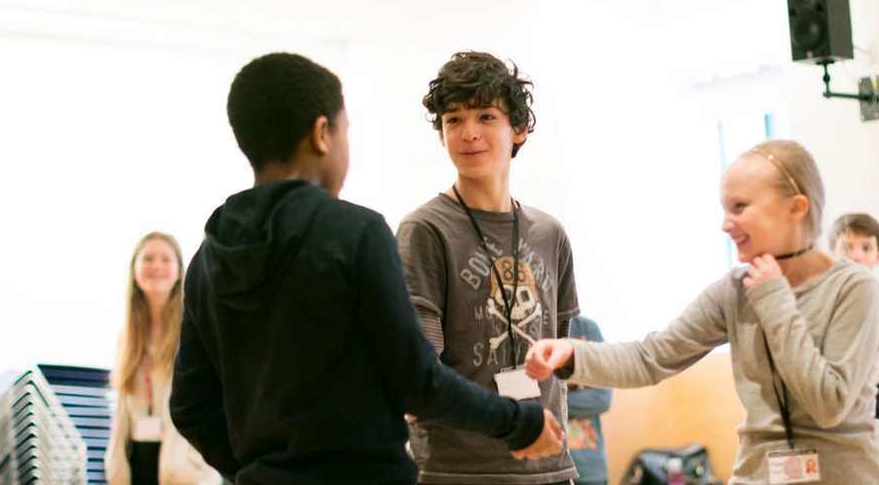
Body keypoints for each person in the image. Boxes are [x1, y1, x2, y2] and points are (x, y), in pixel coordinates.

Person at [168, 52, 564, 485]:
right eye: (345, 131)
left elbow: (190, 406)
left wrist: (258, 471)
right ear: (323, 134)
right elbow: (417, 380)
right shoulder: (356, 234)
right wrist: (520, 422)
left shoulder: (209, 256)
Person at [525, 140, 879, 484]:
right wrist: (573, 354)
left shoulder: (854, 288)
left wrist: (775, 300)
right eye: (724, 209)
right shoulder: (735, 289)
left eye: (740, 207)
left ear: (796, 207)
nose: (726, 224)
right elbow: (653, 356)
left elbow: (829, 403)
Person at [397, 50, 580, 484]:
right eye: (454, 120)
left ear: (518, 129)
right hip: (458, 468)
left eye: (485, 116)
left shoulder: (548, 232)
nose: (468, 133)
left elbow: (562, 355)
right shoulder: (425, 230)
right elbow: (421, 369)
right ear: (441, 134)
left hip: (550, 464)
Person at [105, 232, 221, 485]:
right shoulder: (126, 336)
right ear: (134, 270)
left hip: (184, 469)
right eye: (148, 258)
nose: (156, 266)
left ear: (180, 271)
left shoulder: (195, 330)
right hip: (137, 462)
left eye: (165, 259)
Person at [829, 213, 879, 484]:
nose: (857, 256)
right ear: (833, 253)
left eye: (866, 248)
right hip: (846, 430)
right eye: (847, 248)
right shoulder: (824, 309)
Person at [566, 316, 611, 485]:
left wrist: (550, 402)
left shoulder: (586, 329)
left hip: (589, 470)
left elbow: (602, 397)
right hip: (541, 470)